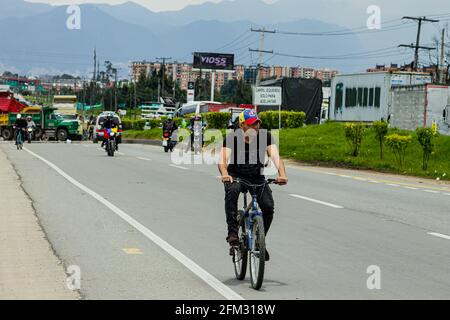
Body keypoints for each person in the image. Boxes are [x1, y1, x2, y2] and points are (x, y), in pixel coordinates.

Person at [218, 109, 288, 261]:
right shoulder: (232, 138)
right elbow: (222, 160)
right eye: (251, 124)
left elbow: (276, 156)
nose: (255, 127)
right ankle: (233, 234)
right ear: (242, 125)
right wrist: (225, 174)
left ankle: (259, 240)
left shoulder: (265, 136)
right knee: (233, 191)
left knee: (268, 206)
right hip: (236, 176)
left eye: (257, 123)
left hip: (256, 177)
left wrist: (281, 173)